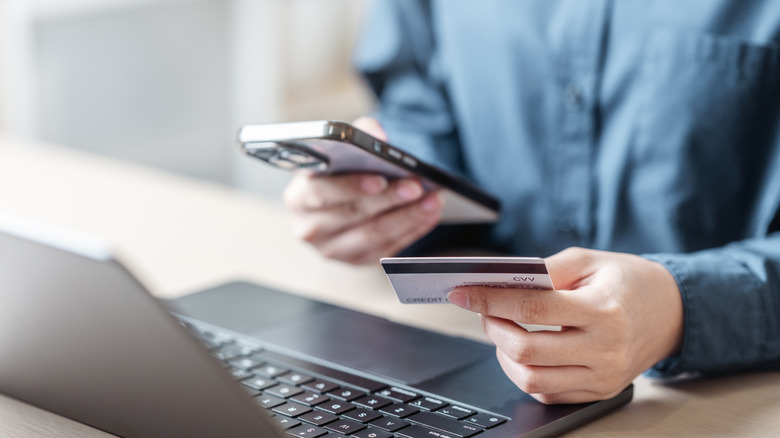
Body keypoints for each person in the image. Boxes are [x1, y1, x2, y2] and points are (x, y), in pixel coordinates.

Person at [282, 1, 780, 404]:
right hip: (466, 348)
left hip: (702, 396)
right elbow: (420, 110)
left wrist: (680, 309)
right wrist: (379, 195)